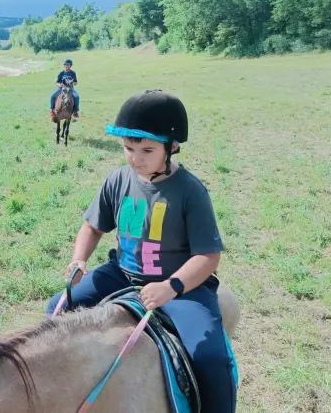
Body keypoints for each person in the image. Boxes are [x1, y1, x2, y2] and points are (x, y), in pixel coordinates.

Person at [44, 89, 238, 413]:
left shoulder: (191, 191)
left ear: (171, 147)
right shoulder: (119, 179)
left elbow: (208, 256)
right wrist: (79, 259)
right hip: (122, 273)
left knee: (210, 357)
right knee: (55, 309)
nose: (135, 158)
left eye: (147, 149)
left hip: (181, 288)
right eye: (128, 148)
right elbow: (92, 227)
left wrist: (171, 287)